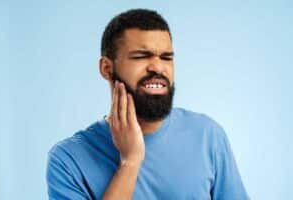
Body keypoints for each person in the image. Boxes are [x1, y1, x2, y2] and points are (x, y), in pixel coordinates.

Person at [46, 8, 249, 200]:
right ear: (107, 68)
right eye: (141, 56)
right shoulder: (67, 160)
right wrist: (130, 161)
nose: (158, 67)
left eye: (166, 57)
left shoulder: (208, 136)